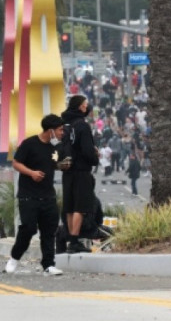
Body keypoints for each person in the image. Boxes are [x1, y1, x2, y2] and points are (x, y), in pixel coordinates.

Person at [5, 114, 64, 276]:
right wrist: (31, 173)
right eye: (60, 130)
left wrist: (63, 165)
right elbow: (16, 163)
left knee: (49, 231)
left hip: (48, 196)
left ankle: (48, 264)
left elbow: (54, 164)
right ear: (51, 131)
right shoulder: (29, 144)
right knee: (28, 228)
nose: (62, 133)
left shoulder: (56, 147)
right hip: (28, 196)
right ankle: (14, 258)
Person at [61, 95, 99, 253]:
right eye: (85, 104)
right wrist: (95, 157)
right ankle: (75, 241)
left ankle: (71, 240)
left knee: (70, 207)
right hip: (81, 171)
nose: (87, 107)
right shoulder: (82, 126)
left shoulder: (65, 125)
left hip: (67, 171)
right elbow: (87, 150)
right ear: (80, 107)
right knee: (81, 207)